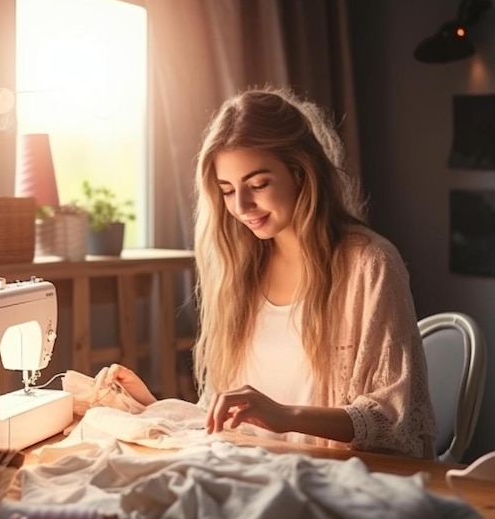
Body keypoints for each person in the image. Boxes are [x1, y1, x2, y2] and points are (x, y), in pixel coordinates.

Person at [96, 86, 436, 459]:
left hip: (333, 479)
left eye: (258, 184)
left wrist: (284, 416)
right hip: (254, 474)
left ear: (301, 173)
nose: (241, 206)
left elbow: (395, 418)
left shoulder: (369, 264)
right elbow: (223, 416)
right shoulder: (237, 272)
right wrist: (148, 405)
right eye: (227, 190)